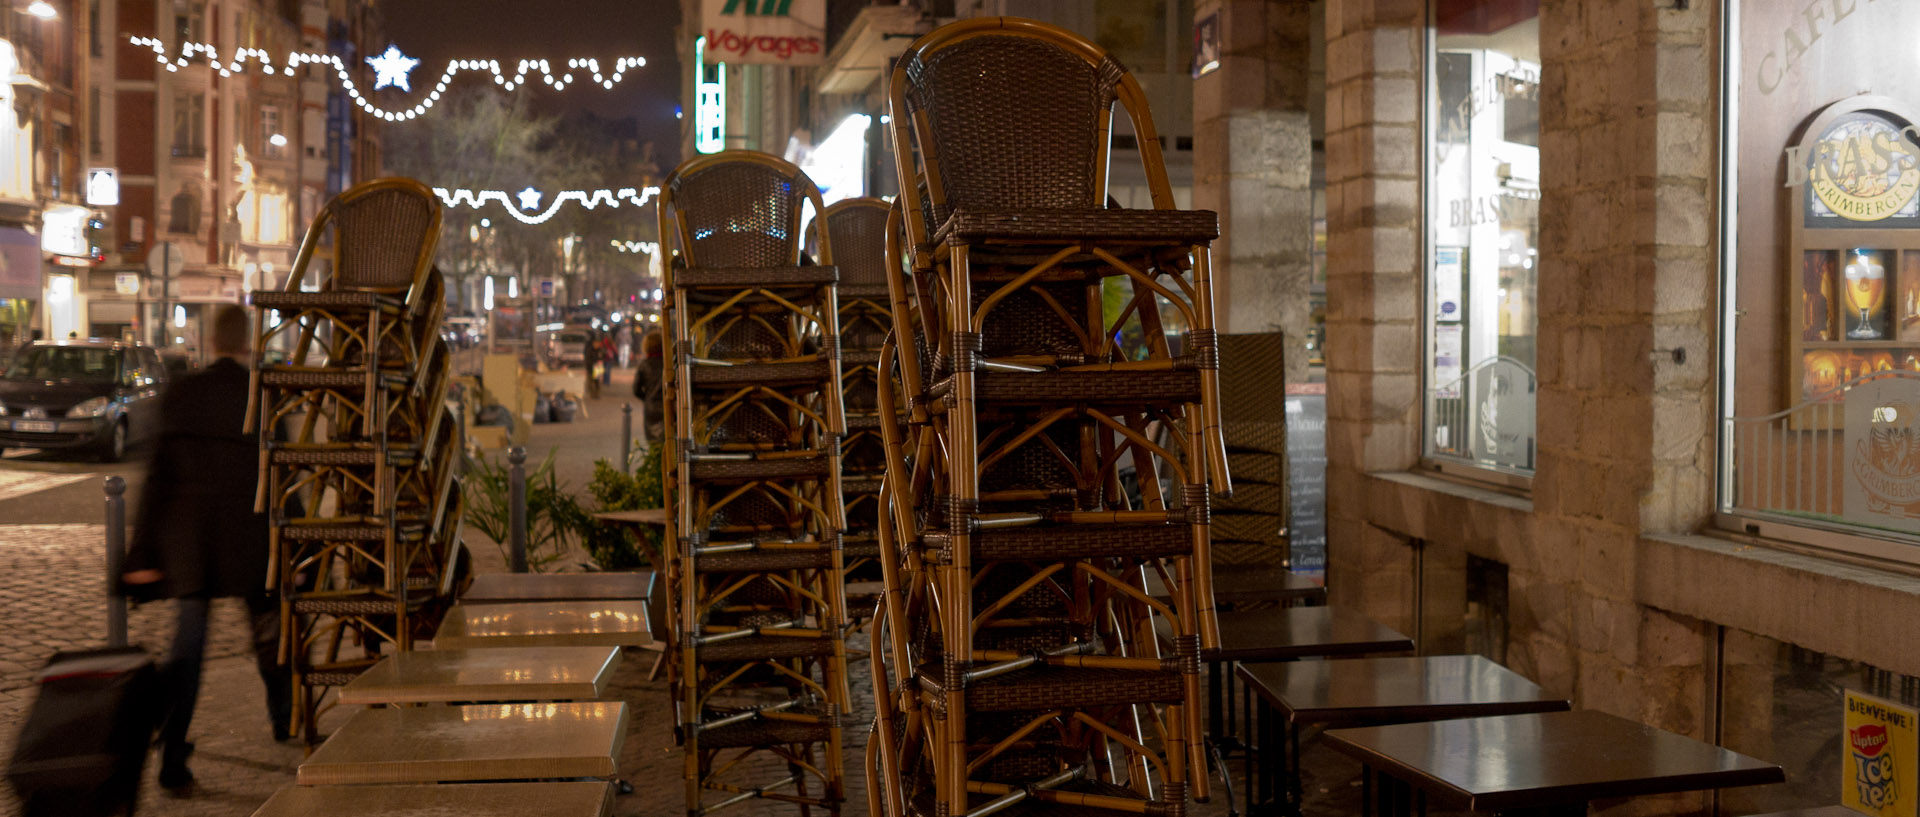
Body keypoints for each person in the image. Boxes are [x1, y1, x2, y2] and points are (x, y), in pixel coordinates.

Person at [120, 304, 290, 794]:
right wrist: (293, 544)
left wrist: (142, 555)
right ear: (246, 342)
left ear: (212, 340)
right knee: (268, 632)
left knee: (187, 653)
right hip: (250, 540)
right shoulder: (260, 396)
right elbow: (282, 475)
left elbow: (158, 477)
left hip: (191, 544)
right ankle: (283, 715)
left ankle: (174, 756)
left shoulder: (184, 392)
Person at [632, 328, 664, 442]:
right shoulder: (669, 363)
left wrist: (647, 397)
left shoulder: (645, 364)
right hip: (670, 405)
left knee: (654, 442)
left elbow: (636, 390)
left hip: (651, 407)